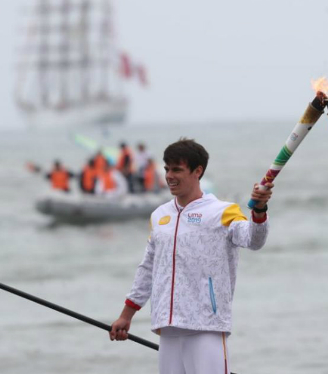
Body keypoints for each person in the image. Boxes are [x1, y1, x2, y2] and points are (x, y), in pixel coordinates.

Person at [109, 138, 273, 374]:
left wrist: (259, 210)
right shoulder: (159, 216)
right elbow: (148, 268)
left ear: (198, 171)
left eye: (177, 170)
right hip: (167, 328)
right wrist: (127, 315)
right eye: (167, 169)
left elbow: (254, 240)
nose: (169, 176)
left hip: (207, 327)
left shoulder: (222, 212)